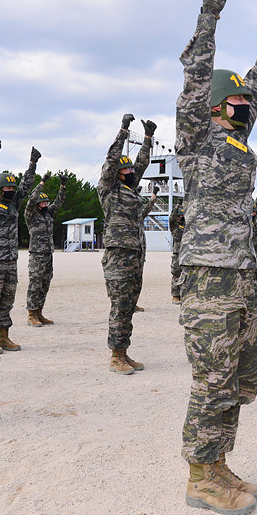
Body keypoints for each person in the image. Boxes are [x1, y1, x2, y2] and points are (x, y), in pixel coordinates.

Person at [176, 0, 257, 515]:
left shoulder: (238, 141)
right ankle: (199, 476)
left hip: (239, 273)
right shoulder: (196, 136)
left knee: (241, 373)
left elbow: (254, 93)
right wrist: (210, 16)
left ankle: (219, 461)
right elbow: (195, 76)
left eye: (244, 101)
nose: (243, 106)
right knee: (211, 375)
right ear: (215, 105)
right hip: (208, 275)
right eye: (234, 100)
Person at [97, 115, 153, 375]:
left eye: (131, 171)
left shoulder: (131, 190)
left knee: (129, 305)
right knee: (120, 305)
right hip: (118, 255)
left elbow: (141, 164)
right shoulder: (109, 190)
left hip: (135, 255)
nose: (131, 173)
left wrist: (148, 140)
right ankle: (115, 356)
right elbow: (110, 161)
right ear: (116, 175)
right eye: (126, 171)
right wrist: (124, 131)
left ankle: (123, 351)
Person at [0, 143, 38, 353]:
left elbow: (26, 186)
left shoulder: (14, 204)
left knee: (6, 301)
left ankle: (3, 336)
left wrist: (32, 164)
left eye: (12, 188)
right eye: (7, 188)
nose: (12, 191)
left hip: (11, 261)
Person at [24, 173, 67, 326]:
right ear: (37, 205)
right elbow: (30, 201)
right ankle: (31, 314)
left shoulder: (48, 215)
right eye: (43, 203)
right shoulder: (31, 215)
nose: (46, 205)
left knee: (45, 284)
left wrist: (63, 187)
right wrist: (41, 183)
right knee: (35, 284)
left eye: (46, 202)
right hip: (36, 254)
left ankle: (39, 312)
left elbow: (59, 202)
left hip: (48, 254)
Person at [169, 202, 185, 303]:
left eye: (181, 216)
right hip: (177, 254)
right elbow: (171, 219)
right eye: (178, 216)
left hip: (187, 253)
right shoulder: (175, 227)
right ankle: (175, 296)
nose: (179, 218)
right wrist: (177, 206)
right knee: (176, 275)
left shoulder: (187, 227)